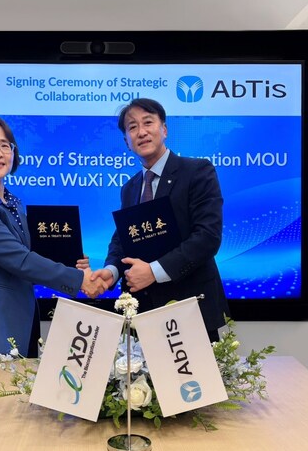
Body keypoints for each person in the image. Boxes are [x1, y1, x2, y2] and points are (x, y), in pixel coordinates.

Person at [0, 116, 106, 360]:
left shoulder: (12, 202)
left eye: (4, 145)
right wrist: (79, 280)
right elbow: (19, 259)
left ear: (13, 152)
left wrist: (72, 262)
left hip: (18, 325)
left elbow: (32, 253)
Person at [92, 98, 229, 341]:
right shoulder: (130, 188)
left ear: (164, 130)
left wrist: (153, 272)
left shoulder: (197, 171)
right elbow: (123, 239)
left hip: (190, 309)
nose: (141, 132)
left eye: (148, 123)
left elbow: (207, 237)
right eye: (132, 127)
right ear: (127, 142)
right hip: (143, 313)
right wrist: (111, 271)